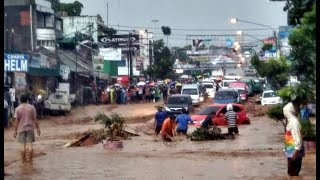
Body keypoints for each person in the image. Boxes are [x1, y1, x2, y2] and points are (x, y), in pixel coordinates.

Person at [13, 94, 41, 163]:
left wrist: (15, 131)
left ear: (20, 100)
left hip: (22, 129)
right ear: (27, 100)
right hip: (30, 128)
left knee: (22, 146)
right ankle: (30, 161)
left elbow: (16, 121)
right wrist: (38, 128)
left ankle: (23, 161)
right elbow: (35, 119)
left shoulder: (17, 109)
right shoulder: (32, 108)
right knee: (30, 145)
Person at [283, 102, 305, 176]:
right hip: (291, 150)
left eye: (285, 112)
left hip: (294, 151)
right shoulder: (292, 121)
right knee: (292, 171)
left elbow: (298, 137)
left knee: (293, 172)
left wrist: (296, 151)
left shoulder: (294, 122)